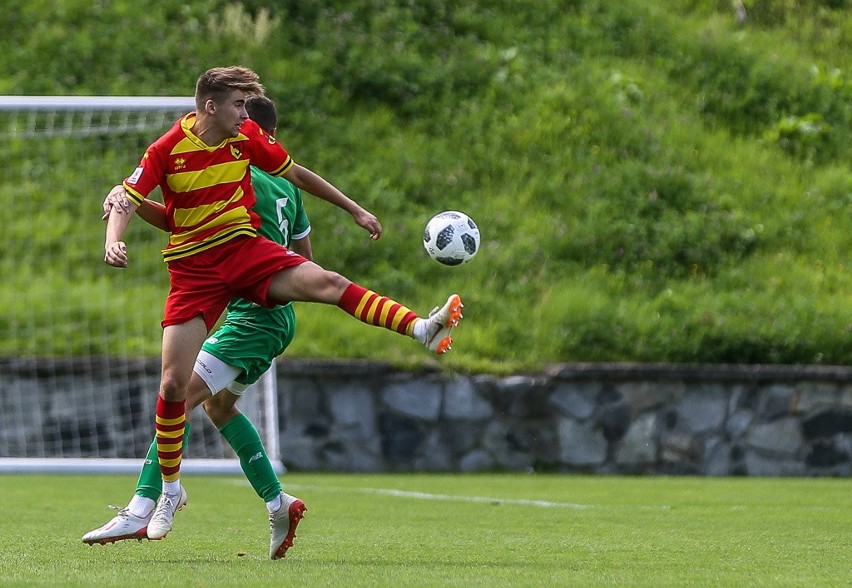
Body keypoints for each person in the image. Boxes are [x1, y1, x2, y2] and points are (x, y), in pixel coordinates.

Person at [103, 66, 464, 542]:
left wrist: (354, 208)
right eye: (236, 104)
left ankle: (421, 327)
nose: (243, 114)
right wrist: (114, 241)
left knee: (329, 282)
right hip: (194, 272)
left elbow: (297, 172)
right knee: (173, 388)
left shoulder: (246, 137)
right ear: (210, 106)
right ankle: (172, 491)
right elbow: (128, 199)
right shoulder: (166, 150)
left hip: (244, 252)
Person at [84, 96, 316, 559]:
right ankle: (278, 503)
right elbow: (303, 263)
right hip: (274, 316)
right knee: (219, 409)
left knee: (178, 396)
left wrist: (130, 201)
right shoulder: (289, 189)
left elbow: (181, 224)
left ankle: (143, 505)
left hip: (253, 318)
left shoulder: (232, 172)